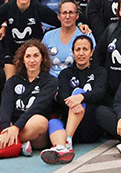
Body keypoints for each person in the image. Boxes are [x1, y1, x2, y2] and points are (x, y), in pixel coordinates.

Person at [0, 40, 58, 158]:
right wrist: (6, 128)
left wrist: (16, 128)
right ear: (23, 60)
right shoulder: (13, 81)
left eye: (36, 56)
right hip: (12, 125)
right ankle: (18, 146)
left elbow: (37, 108)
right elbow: (5, 106)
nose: (32, 60)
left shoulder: (50, 81)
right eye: (28, 56)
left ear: (42, 58)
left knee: (40, 121)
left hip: (32, 130)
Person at [44, 35, 107, 163]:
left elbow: (100, 93)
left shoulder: (100, 72)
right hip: (71, 127)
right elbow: (62, 96)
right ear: (72, 52)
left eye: (85, 49)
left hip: (91, 126)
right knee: (53, 122)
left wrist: (81, 97)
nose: (81, 53)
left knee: (78, 92)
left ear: (92, 52)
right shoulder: (65, 74)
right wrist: (74, 102)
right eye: (78, 50)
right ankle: (63, 147)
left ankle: (66, 141)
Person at [0, 0, 59, 74]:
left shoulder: (38, 8)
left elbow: (59, 21)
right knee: (10, 83)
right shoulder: (7, 8)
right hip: (12, 53)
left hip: (33, 54)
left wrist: (80, 23)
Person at [42, 0, 94, 78]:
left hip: (76, 82)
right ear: (59, 16)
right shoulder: (48, 36)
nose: (67, 16)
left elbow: (92, 63)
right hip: (52, 83)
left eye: (71, 13)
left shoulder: (86, 35)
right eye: (64, 13)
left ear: (77, 16)